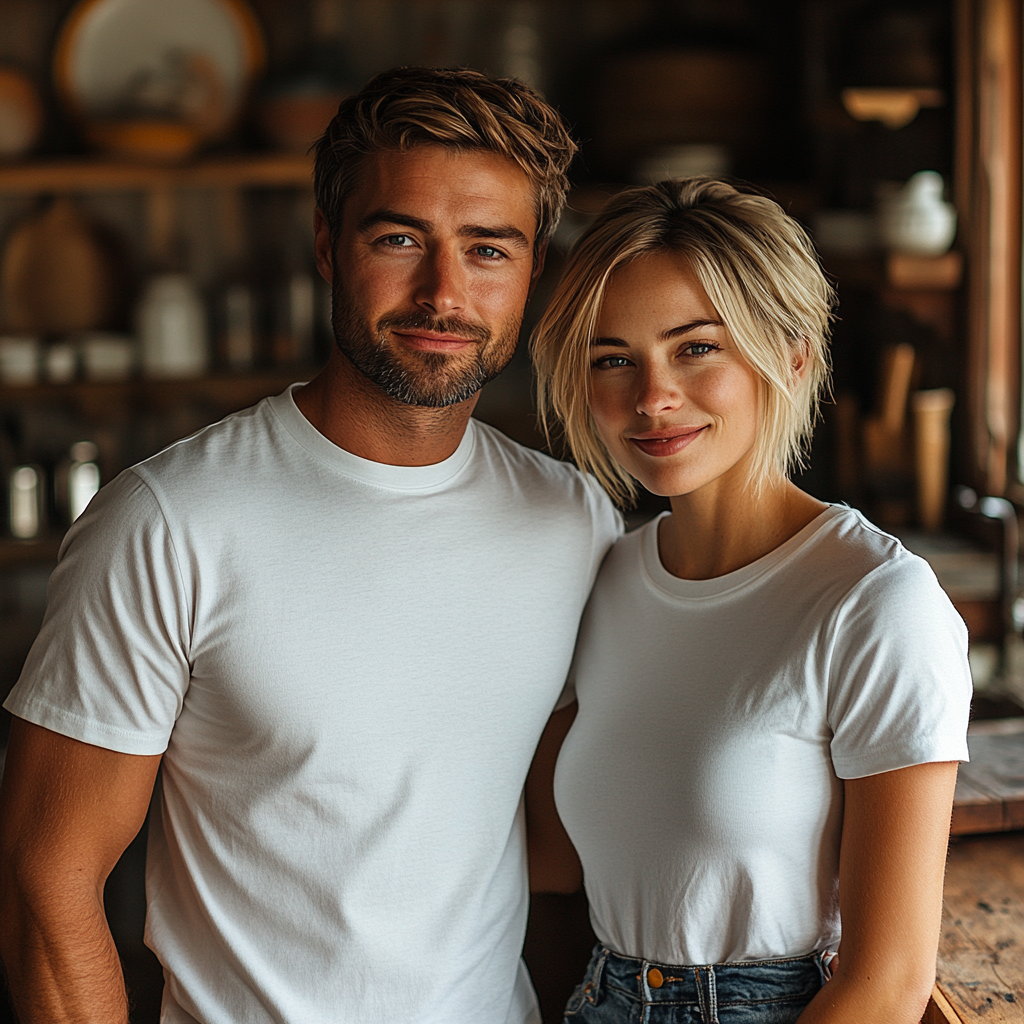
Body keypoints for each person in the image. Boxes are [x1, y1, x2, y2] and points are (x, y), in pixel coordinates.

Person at [0, 67, 621, 1024]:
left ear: (536, 269)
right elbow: (48, 878)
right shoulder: (169, 521)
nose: (444, 292)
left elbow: (554, 849)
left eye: (489, 249)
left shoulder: (572, 519)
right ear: (328, 246)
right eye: (400, 238)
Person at [527, 177, 971, 1024]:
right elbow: (553, 864)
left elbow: (887, 984)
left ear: (792, 354)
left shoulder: (874, 602)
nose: (651, 396)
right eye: (613, 358)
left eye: (696, 348)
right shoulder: (604, 581)